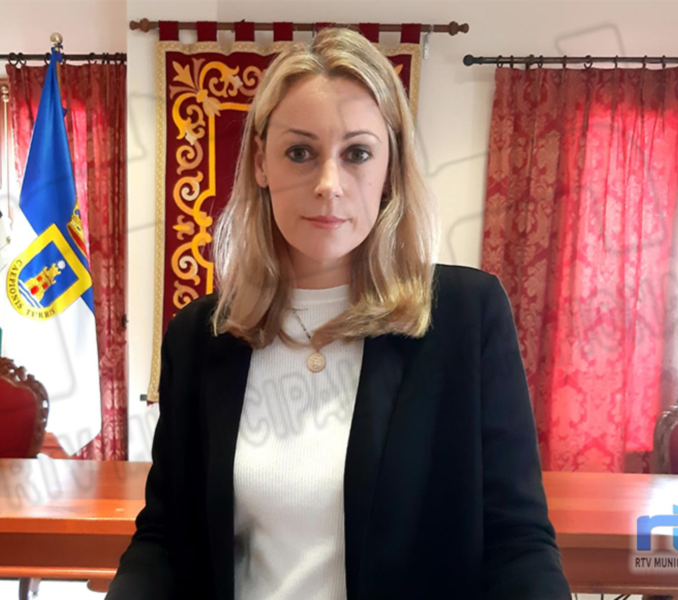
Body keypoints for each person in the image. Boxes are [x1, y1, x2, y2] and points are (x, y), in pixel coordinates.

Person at [107, 27, 571, 600]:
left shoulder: (465, 317)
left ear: (389, 168)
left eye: (357, 154)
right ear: (260, 162)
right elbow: (164, 539)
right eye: (300, 152)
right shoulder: (201, 337)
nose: (329, 184)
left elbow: (517, 543)